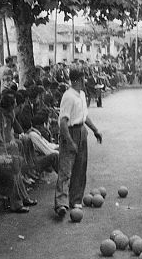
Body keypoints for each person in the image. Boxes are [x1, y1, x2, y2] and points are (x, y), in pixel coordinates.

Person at [55, 69, 102, 218]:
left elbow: (84, 116)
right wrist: (69, 141)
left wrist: (95, 130)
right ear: (76, 80)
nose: (84, 82)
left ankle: (75, 200)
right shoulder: (68, 96)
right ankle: (61, 203)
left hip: (81, 130)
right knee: (66, 169)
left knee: (80, 167)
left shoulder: (81, 94)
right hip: (70, 131)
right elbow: (63, 122)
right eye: (82, 79)